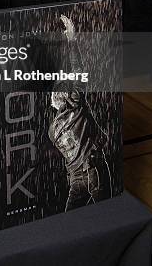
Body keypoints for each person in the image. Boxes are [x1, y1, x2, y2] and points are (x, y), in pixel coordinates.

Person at [48, 15, 111, 211]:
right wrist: (72, 39)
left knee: (71, 218)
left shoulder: (52, 131)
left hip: (75, 177)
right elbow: (79, 71)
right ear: (65, 96)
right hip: (93, 168)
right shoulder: (74, 105)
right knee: (108, 213)